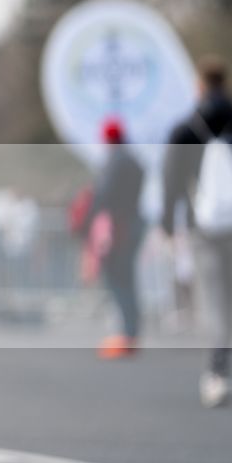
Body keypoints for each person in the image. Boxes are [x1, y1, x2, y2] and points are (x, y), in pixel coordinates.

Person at [161, 56, 232, 408]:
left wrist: (166, 223)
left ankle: (216, 369)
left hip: (201, 226)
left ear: (200, 85)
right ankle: (224, 362)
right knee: (231, 298)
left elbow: (172, 180)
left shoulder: (186, 130)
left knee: (212, 298)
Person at [92, 117, 147, 359]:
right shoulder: (134, 160)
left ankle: (126, 333)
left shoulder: (115, 162)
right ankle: (131, 331)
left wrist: (87, 220)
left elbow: (104, 195)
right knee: (127, 278)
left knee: (118, 278)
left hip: (120, 225)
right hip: (133, 221)